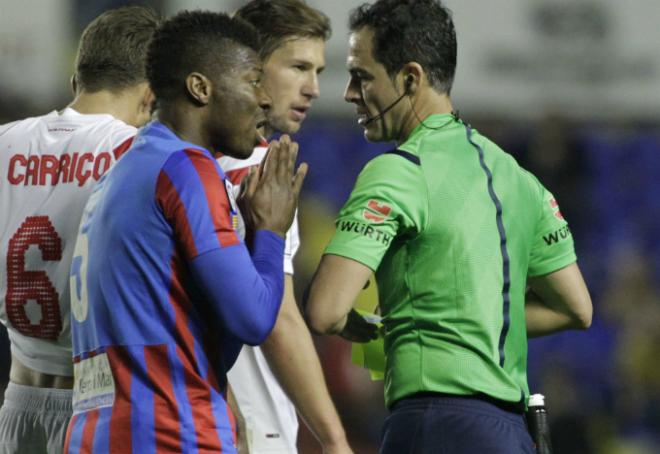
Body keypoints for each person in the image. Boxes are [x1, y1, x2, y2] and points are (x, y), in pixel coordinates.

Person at [305, 0, 593, 452]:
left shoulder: (398, 171)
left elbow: (325, 310)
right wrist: (465, 320)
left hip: (434, 427)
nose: (348, 93)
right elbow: (576, 308)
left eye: (361, 76)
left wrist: (373, 326)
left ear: (411, 78)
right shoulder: (521, 180)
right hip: (512, 434)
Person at [65, 10, 306, 453]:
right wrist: (269, 233)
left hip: (96, 431)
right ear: (200, 88)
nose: (266, 99)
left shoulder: (125, 170)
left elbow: (214, 345)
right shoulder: (186, 169)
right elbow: (252, 320)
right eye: (254, 80)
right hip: (169, 431)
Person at [0, 7, 159, 454]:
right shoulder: (143, 155)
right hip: (99, 406)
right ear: (150, 95)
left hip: (17, 400)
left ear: (76, 82)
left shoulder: (4, 142)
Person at [219, 1, 351, 452]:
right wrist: (335, 441)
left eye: (317, 71)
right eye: (298, 67)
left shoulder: (171, 161)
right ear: (250, 68)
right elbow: (280, 321)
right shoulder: (262, 169)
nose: (313, 88)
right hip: (249, 429)